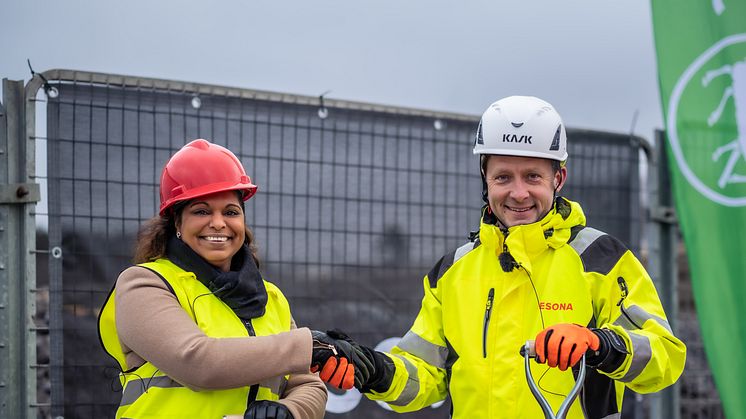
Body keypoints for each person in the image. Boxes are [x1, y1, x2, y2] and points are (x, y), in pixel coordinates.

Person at [322, 96, 687, 418]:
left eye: (532, 176)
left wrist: (601, 344)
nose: (518, 193)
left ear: (558, 178)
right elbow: (424, 376)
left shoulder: (600, 257)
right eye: (503, 178)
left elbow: (664, 358)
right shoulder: (453, 270)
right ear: (485, 178)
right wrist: (372, 370)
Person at [98, 139, 371, 419]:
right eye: (201, 211)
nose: (218, 223)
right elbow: (198, 363)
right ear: (177, 223)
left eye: (230, 212)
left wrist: (289, 410)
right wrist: (310, 345)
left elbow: (308, 384)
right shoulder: (143, 283)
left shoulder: (271, 297)